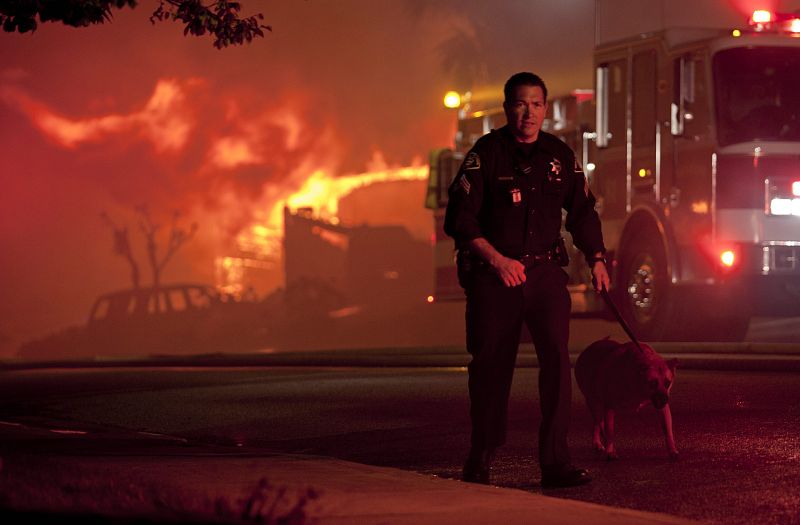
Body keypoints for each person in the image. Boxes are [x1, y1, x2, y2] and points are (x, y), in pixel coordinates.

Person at [444, 72, 610, 488]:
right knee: (489, 368)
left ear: (545, 108)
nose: (528, 113)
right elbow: (459, 219)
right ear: (507, 108)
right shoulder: (486, 155)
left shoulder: (558, 156)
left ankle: (555, 462)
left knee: (556, 363)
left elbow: (583, 212)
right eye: (520, 104)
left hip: (545, 276)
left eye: (536, 104)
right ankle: (480, 456)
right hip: (494, 278)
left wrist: (597, 258)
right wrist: (498, 261)